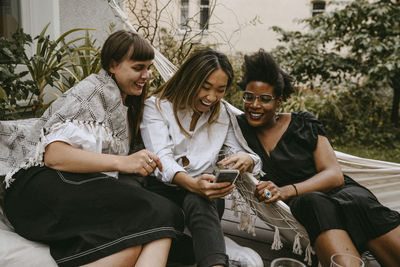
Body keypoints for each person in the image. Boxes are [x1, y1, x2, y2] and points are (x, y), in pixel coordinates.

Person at [2, 30, 184, 267]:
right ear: (113, 65)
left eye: (149, 67)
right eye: (139, 67)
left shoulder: (123, 103)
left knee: (133, 242)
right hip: (37, 192)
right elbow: (53, 156)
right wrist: (123, 162)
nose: (146, 75)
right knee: (161, 211)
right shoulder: (93, 92)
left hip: (66, 192)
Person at [236, 49, 400, 267]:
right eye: (249, 97)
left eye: (265, 99)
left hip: (340, 192)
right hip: (307, 204)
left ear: (280, 100)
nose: (255, 105)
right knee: (314, 202)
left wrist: (286, 190)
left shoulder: (304, 123)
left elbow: (334, 175)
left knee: (357, 201)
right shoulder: (238, 129)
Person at [140, 48, 262, 267]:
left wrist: (247, 160)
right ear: (189, 79)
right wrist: (192, 184)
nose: (211, 97)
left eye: (220, 90)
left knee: (200, 199)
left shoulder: (222, 113)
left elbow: (247, 154)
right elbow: (161, 159)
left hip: (206, 199)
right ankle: (218, 250)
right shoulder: (156, 107)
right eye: (205, 87)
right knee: (185, 212)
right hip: (164, 193)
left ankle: (213, 257)